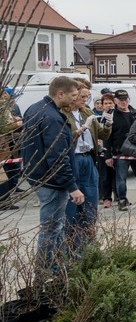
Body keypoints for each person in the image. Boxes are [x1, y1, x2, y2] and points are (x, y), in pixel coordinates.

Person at [21, 76, 85, 279]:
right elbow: (57, 157)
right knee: (51, 229)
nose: (75, 99)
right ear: (60, 94)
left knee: (53, 227)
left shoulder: (35, 108)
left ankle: (56, 268)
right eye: (73, 95)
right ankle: (46, 274)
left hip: (39, 177)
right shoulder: (53, 118)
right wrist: (72, 186)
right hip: (52, 181)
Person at [63, 80, 110, 250]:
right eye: (82, 96)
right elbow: (64, 141)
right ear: (72, 95)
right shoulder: (64, 115)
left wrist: (109, 122)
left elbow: (103, 134)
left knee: (90, 203)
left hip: (89, 158)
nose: (85, 99)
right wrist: (81, 130)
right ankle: (72, 244)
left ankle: (89, 245)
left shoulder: (86, 112)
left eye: (87, 96)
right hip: (74, 158)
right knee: (74, 205)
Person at [104, 89, 136, 211]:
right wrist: (108, 155)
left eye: (125, 99)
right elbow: (106, 137)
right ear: (115, 101)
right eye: (120, 100)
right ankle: (122, 199)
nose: (123, 102)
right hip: (120, 152)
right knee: (121, 178)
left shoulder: (135, 113)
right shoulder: (111, 115)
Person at [0, 90, 24, 209]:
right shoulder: (3, 108)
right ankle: (4, 202)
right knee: (3, 176)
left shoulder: (5, 107)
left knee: (6, 174)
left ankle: (5, 200)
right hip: (3, 146)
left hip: (7, 145)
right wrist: (17, 124)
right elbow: (4, 127)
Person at [96, 93, 117, 207]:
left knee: (117, 175)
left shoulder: (117, 115)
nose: (108, 105)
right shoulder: (100, 118)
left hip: (116, 150)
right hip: (103, 150)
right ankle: (106, 197)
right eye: (106, 103)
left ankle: (118, 196)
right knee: (105, 176)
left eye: (110, 103)